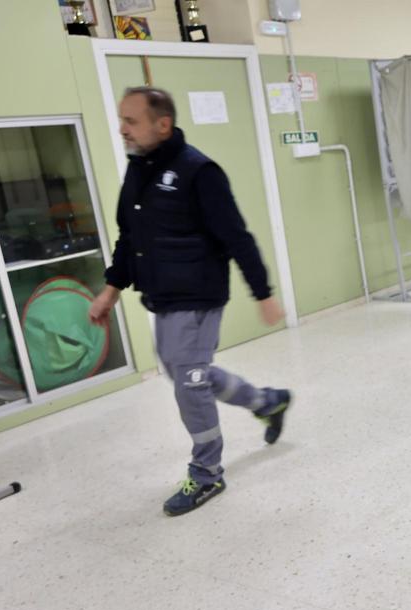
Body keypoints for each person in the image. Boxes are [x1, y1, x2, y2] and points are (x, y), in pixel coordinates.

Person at [88, 87, 292, 517]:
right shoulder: (139, 170)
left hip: (198, 296)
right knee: (187, 373)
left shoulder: (199, 171)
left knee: (190, 381)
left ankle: (206, 472)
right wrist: (111, 289)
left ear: (162, 124)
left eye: (131, 120)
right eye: (122, 119)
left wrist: (264, 293)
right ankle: (266, 401)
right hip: (162, 297)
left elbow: (236, 235)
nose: (122, 128)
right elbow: (131, 239)